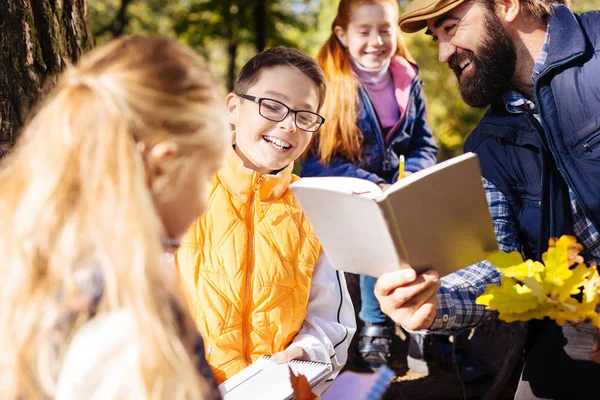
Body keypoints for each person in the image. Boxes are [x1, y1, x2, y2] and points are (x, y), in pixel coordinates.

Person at [374, 0, 600, 398]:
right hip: (573, 319)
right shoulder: (486, 146)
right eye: (436, 38)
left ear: (507, 5)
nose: (443, 53)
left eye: (451, 28)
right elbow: (496, 263)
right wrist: (433, 303)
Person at [0, 36, 229, 399]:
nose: (205, 202)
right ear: (162, 165)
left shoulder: (26, 258)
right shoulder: (129, 333)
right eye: (207, 176)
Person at [176, 47, 356, 384]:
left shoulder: (315, 209)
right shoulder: (181, 189)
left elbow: (331, 321)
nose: (288, 124)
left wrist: (305, 351)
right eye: (272, 106)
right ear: (233, 107)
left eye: (305, 116)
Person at [299, 0, 441, 372]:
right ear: (343, 35)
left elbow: (423, 143)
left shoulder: (407, 79)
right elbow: (316, 162)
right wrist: (372, 184)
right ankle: (374, 326)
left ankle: (427, 328)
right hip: (347, 194)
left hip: (393, 190)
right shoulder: (326, 85)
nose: (376, 40)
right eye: (364, 32)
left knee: (426, 223)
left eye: (385, 29)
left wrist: (413, 177)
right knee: (373, 226)